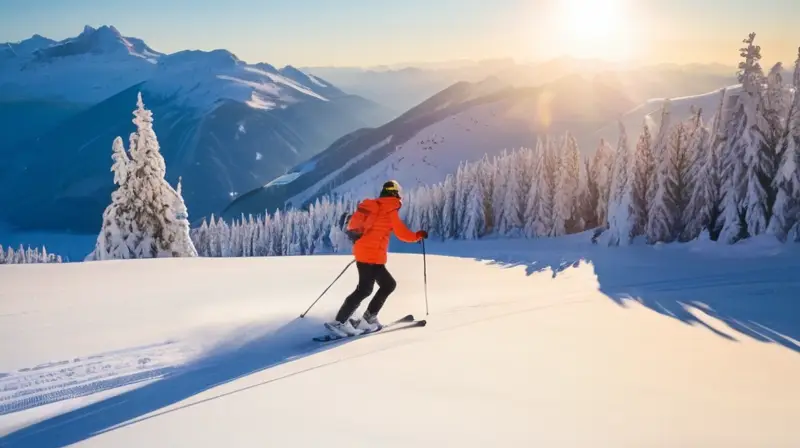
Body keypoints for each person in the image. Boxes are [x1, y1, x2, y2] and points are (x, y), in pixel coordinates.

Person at [325, 180, 427, 337]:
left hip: (371, 255)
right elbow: (401, 233)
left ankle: (369, 317)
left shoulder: (378, 206)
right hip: (370, 255)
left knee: (388, 284)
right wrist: (417, 236)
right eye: (399, 193)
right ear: (395, 194)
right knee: (365, 289)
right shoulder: (390, 209)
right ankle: (340, 322)